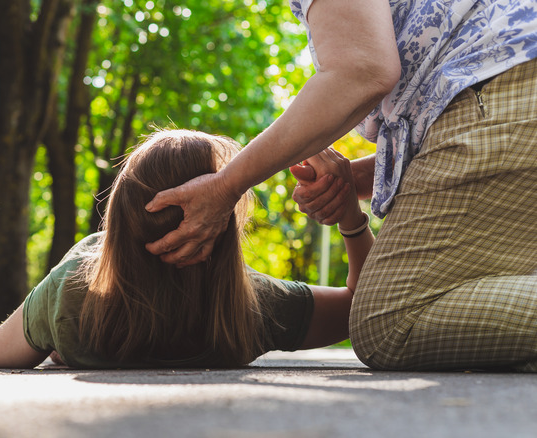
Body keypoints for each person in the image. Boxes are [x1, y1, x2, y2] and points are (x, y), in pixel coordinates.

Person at [144, 0, 537, 371]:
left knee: (389, 325)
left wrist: (227, 185)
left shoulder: (89, 296)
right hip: (512, 81)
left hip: (499, 86)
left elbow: (362, 70)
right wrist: (356, 186)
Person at [0, 130, 372, 368]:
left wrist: (57, 330)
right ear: (222, 227)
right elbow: (364, 308)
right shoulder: (253, 306)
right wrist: (351, 219)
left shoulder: (72, 294)